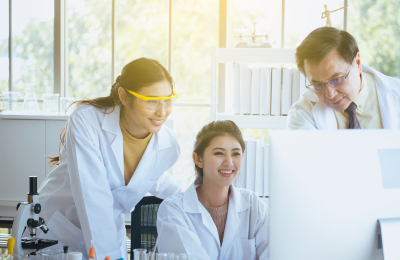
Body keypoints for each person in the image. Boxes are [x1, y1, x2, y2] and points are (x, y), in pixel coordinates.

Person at [37, 58, 183, 260]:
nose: (162, 111)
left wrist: (202, 197)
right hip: (60, 231)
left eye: (167, 100)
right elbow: (93, 196)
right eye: (151, 101)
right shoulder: (86, 121)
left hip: (110, 235)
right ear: (124, 96)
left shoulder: (169, 144)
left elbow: (148, 176)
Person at [156, 120, 269, 260]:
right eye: (219, 153)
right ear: (198, 159)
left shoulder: (255, 206)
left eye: (236, 154)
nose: (229, 162)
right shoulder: (172, 210)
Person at [287, 27, 400, 130]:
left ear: (357, 63)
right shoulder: (301, 113)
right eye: (318, 85)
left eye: (337, 79)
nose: (330, 95)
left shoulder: (396, 94)